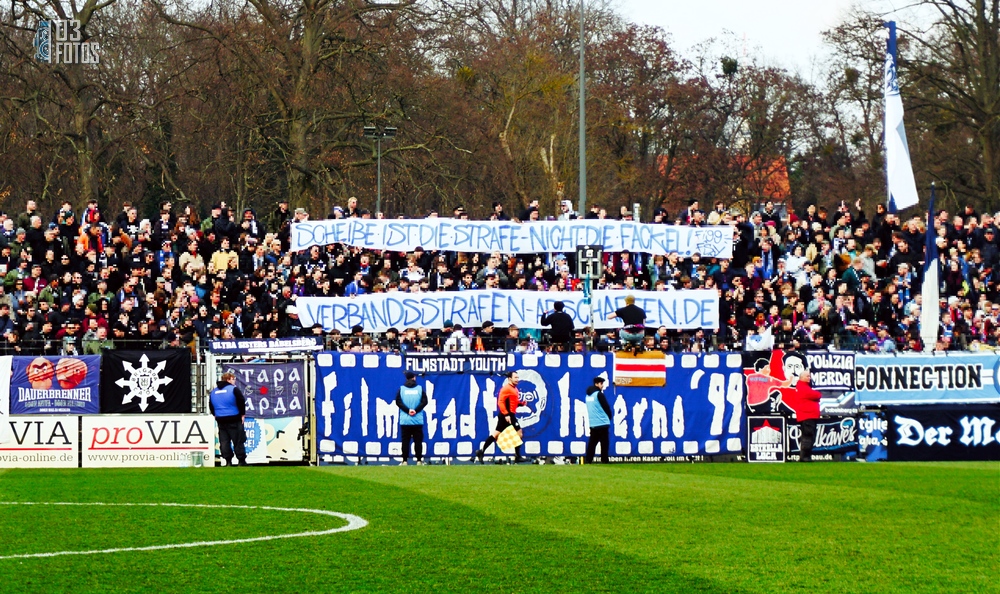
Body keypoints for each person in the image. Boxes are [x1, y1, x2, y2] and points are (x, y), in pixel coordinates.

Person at [476, 371, 525, 463]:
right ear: (509, 379)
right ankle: (518, 456)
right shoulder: (506, 389)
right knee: (519, 433)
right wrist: (506, 414)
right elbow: (500, 402)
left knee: (496, 434)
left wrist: (521, 404)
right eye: (515, 377)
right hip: (507, 415)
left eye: (518, 377)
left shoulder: (514, 389)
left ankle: (481, 451)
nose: (517, 379)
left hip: (509, 414)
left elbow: (512, 402)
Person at [783, 369, 822, 462]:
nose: (809, 378)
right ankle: (805, 457)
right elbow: (817, 395)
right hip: (808, 416)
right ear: (802, 377)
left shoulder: (802, 387)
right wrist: (817, 395)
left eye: (809, 376)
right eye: (807, 376)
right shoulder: (803, 388)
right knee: (808, 437)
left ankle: (804, 456)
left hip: (807, 415)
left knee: (808, 436)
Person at [209, 372, 247, 467]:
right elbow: (241, 401)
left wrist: (215, 414)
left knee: (224, 441)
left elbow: (211, 405)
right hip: (234, 417)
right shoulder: (233, 389)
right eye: (233, 379)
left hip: (221, 419)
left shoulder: (214, 391)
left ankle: (228, 461)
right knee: (238, 440)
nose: (234, 381)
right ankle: (241, 461)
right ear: (228, 380)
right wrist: (242, 414)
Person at [395, 371, 428, 465]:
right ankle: (419, 460)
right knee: (418, 441)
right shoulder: (420, 389)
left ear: (406, 378)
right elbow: (424, 402)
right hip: (417, 420)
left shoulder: (402, 389)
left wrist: (408, 411)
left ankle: (404, 460)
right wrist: (415, 410)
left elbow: (398, 402)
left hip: (405, 420)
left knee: (405, 441)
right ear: (414, 378)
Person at [585, 377, 612, 464]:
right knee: (604, 443)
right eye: (601, 383)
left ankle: (588, 459)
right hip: (602, 422)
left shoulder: (588, 395)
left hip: (593, 422)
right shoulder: (599, 394)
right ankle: (604, 460)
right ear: (596, 384)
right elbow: (606, 407)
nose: (602, 385)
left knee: (592, 443)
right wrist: (609, 416)